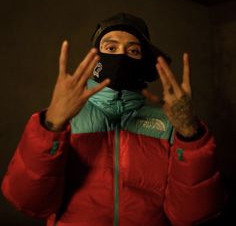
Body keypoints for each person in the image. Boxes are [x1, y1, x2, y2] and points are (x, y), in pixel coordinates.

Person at [2, 13, 225, 226]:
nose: (120, 56)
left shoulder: (170, 122)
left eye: (134, 50)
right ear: (95, 56)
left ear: (144, 61)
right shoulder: (65, 115)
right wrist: (51, 126)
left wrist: (190, 133)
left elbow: (191, 215)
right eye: (110, 47)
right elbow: (30, 203)